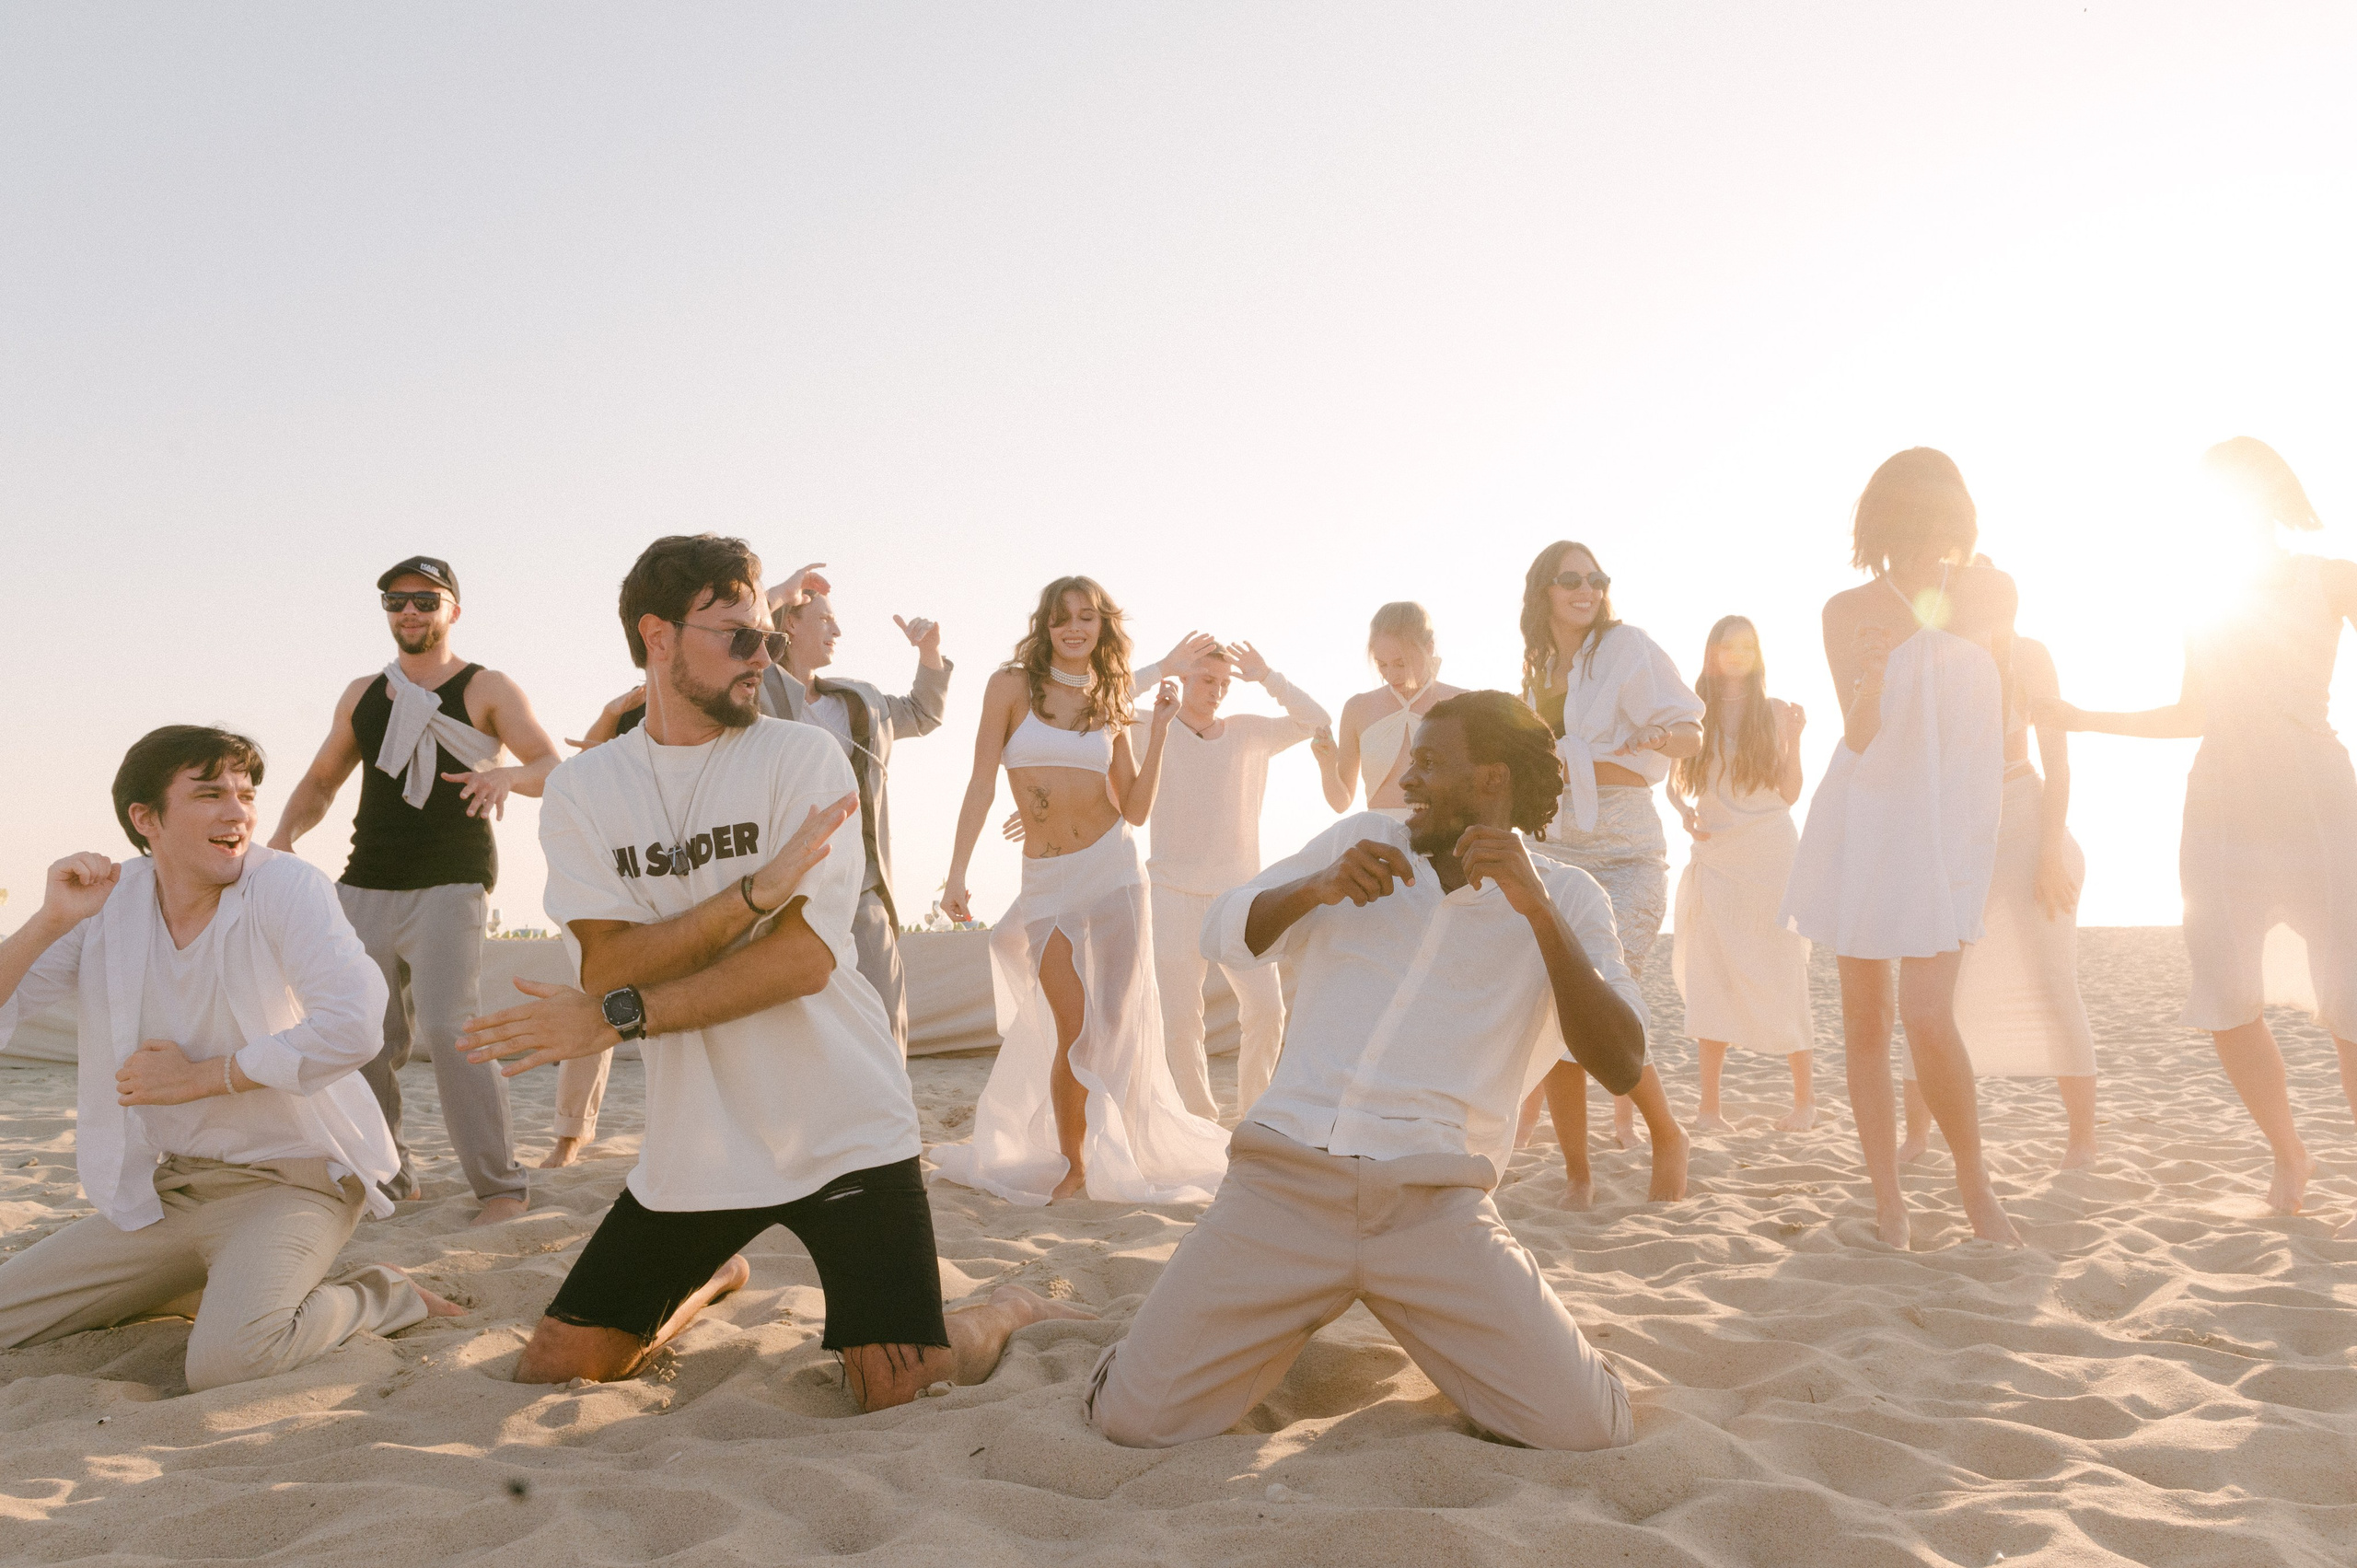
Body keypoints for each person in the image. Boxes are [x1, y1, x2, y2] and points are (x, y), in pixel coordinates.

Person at [456, 535, 1089, 1400]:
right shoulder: (584, 791)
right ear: (658, 636)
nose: (763, 658)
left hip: (843, 1127)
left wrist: (623, 1010)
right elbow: (608, 961)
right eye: (737, 636)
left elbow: (800, 962)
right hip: (699, 1143)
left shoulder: (803, 759)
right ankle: (712, 1275)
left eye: (768, 639)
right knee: (556, 1369)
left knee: (898, 1384)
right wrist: (750, 898)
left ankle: (1007, 1306)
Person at [1085, 692, 1645, 1451]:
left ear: (1489, 782)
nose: (1405, 776)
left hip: (1433, 1203)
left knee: (1588, 1429)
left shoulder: (1570, 898)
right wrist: (1315, 887)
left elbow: (1622, 1061)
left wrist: (1537, 913)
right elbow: (1223, 930)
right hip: (1283, 1182)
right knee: (1131, 1419)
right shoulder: (1361, 841)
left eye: (1428, 761)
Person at [0, 727, 462, 1391]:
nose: (239, 811)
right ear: (145, 818)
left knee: (229, 1362)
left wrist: (200, 1076)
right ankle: (209, 1285)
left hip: (295, 1181)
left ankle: (384, 1294)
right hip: (178, 1189)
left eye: (246, 794)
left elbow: (356, 1023)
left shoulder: (285, 886)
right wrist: (49, 921)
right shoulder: (110, 904)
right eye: (211, 792)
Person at [2042, 437, 2357, 1225]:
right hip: (2222, 802)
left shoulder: (2331, 577)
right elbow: (2194, 712)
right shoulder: (2204, 596)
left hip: (2319, 802)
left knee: (2349, 995)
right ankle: (2289, 1151)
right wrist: (2083, 718)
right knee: (2224, 992)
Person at [269, 556, 559, 1225]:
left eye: (425, 600)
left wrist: (507, 778)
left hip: (452, 878)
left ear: (452, 609)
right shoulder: (365, 693)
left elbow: (549, 765)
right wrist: (283, 836)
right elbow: (320, 780)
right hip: (365, 878)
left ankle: (500, 1187)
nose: (410, 612)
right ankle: (391, 1175)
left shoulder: (487, 686)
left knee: (451, 1028)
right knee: (362, 1032)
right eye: (396, 601)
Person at [1781, 449, 2021, 1249]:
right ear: (1881, 525)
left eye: (1937, 522)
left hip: (1953, 822)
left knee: (1927, 1015)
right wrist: (1871, 676)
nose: (1922, 541)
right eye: (1908, 525)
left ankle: (1973, 1181)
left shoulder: (1988, 591)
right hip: (1870, 819)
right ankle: (1889, 1198)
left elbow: (2002, 704)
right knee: (1867, 1023)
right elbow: (1859, 736)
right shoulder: (1846, 610)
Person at [933, 576, 1229, 1204]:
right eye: (1062, 616)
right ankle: (1073, 1160)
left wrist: (1165, 728)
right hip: (1046, 879)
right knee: (1074, 1025)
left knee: (1115, 1023)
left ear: (1101, 626)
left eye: (1086, 616)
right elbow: (982, 783)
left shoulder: (1112, 696)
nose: (1074, 626)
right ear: (1045, 625)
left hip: (1115, 869)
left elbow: (1138, 809)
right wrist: (957, 870)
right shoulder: (1010, 686)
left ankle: (1092, 1159)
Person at [1514, 541, 1697, 1205]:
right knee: (1558, 1002)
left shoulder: (1628, 648)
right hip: (1557, 850)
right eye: (1571, 579)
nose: (1586, 588)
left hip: (1626, 853)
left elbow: (1689, 733)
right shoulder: (1536, 673)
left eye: (1596, 578)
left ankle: (1669, 1134)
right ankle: (1578, 1170)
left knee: (1600, 988)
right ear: (1546, 591)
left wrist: (1659, 741)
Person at [1900, 625, 2096, 1169]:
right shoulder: (1930, 658)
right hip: (1951, 830)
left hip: (2022, 821)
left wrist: (2050, 851)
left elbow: (2058, 763)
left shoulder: (2027, 654)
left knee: (2055, 983)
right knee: (1927, 994)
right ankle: (1916, 1137)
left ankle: (2083, 1141)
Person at [1130, 639, 1329, 1119]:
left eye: (1224, 683)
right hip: (1171, 892)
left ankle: (1254, 1115)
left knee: (1267, 1011)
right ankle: (1201, 1120)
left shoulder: (1249, 733)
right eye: (1206, 679)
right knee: (1181, 1020)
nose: (1217, 690)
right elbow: (1098, 706)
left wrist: (1266, 677)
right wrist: (1162, 668)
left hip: (1240, 895)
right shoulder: (1146, 725)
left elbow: (1316, 720)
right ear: (1185, 676)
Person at [1665, 616, 1816, 1132]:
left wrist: (1794, 739)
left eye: (1747, 648)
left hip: (1770, 853)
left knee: (1783, 966)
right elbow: (1672, 785)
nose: (1737, 656)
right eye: (1728, 647)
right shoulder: (1692, 712)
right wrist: (1684, 814)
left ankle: (1804, 1105)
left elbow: (1791, 792)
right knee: (1712, 971)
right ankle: (1710, 1110)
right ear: (1712, 652)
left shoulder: (1772, 711)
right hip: (1716, 853)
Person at [1315, 602, 1464, 823]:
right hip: (1378, 836)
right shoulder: (1358, 708)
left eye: (1400, 664)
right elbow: (1341, 803)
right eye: (1381, 664)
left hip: (1443, 835)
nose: (1391, 675)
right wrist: (1327, 765)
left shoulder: (1461, 703)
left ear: (1429, 648)